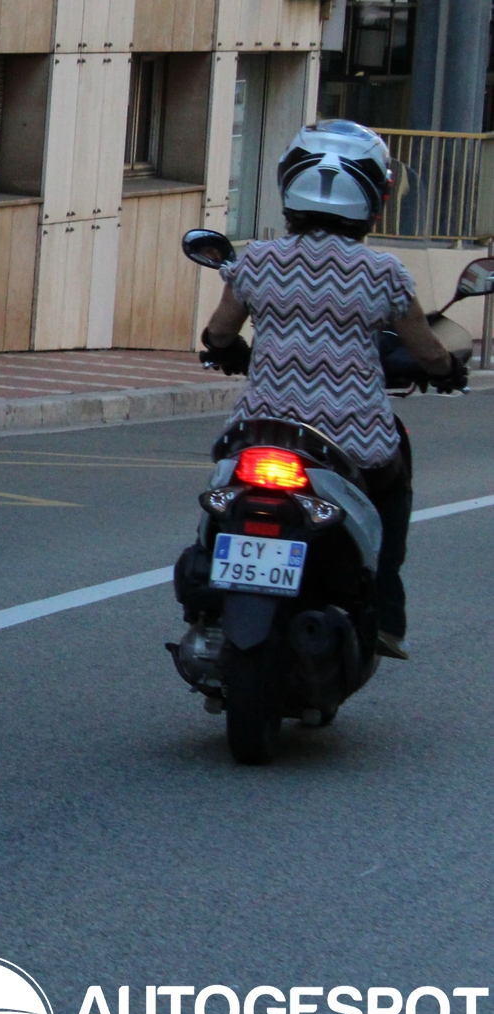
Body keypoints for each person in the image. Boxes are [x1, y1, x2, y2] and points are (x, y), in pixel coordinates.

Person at [200, 121, 467, 660]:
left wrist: (228, 351)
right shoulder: (383, 273)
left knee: (219, 498)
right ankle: (386, 613)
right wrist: (445, 371)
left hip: (262, 431)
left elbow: (220, 334)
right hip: (353, 439)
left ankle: (208, 584)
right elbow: (426, 351)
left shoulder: (255, 260)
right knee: (390, 491)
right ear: (372, 198)